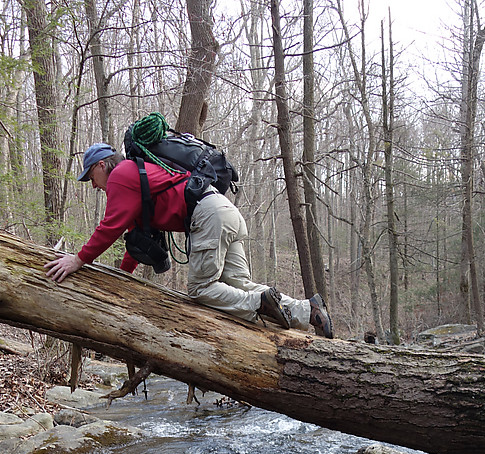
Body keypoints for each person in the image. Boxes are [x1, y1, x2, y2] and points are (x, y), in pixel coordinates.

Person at [44, 142, 333, 338]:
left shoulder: (121, 175)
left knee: (199, 288)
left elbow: (110, 226)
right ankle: (309, 310)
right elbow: (133, 235)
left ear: (104, 165)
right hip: (223, 209)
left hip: (207, 215)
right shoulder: (136, 175)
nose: (92, 185)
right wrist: (123, 277)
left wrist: (78, 259)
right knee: (238, 285)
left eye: (90, 176)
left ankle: (260, 303)